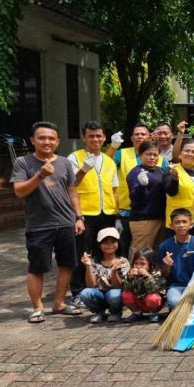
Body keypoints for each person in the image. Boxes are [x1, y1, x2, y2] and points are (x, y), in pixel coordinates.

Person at [11, 121, 86, 323]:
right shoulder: (23, 162)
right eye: (42, 138)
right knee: (37, 267)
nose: (47, 142)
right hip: (39, 225)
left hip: (66, 222)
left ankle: (59, 303)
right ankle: (37, 308)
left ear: (57, 141)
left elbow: (72, 192)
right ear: (33, 140)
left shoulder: (64, 163)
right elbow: (19, 191)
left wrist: (79, 217)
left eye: (51, 138)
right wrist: (40, 175)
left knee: (67, 264)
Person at [67, 121, 119, 305]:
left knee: (103, 251)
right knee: (82, 252)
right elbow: (71, 185)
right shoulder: (74, 157)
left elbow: (114, 189)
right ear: (84, 137)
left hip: (107, 213)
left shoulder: (109, 161)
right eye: (91, 136)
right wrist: (83, 169)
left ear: (104, 138)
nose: (96, 139)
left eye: (99, 136)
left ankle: (100, 287)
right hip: (85, 213)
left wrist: (117, 214)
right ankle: (78, 291)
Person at [106, 123, 164, 259]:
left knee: (154, 252)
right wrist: (113, 147)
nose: (140, 137)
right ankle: (130, 272)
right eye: (137, 134)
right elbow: (106, 164)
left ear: (149, 136)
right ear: (131, 138)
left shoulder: (160, 160)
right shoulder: (122, 153)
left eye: (143, 134)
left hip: (157, 213)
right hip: (128, 211)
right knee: (131, 249)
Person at [79, 228, 130, 323]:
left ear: (118, 243)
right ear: (99, 245)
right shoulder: (94, 261)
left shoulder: (123, 261)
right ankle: (99, 312)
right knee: (85, 293)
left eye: (113, 242)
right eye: (105, 242)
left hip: (115, 293)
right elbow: (91, 285)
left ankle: (115, 312)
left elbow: (117, 286)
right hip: (99, 293)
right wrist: (88, 266)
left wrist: (114, 271)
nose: (109, 245)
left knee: (113, 295)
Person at [165, 139, 194, 237]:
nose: (190, 154)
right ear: (180, 154)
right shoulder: (172, 169)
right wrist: (174, 178)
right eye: (187, 151)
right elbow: (171, 191)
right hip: (179, 225)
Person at [127, 142, 168, 257]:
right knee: (141, 253)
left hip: (161, 217)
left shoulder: (161, 171)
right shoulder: (136, 172)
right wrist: (141, 186)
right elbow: (135, 197)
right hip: (143, 219)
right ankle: (133, 269)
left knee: (158, 254)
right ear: (140, 155)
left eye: (155, 155)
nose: (152, 157)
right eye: (148, 154)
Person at [157, 208, 194, 310]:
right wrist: (167, 266)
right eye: (177, 222)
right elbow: (163, 275)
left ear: (191, 224)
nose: (181, 225)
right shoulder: (164, 246)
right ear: (171, 225)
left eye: (184, 222)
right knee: (175, 302)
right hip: (176, 286)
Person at [122, 247, 166, 323]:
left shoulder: (157, 273)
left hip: (153, 303)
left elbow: (153, 290)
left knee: (153, 297)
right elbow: (126, 288)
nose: (138, 266)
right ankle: (136, 313)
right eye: (136, 263)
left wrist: (147, 277)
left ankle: (153, 314)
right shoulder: (131, 273)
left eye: (142, 264)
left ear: (151, 264)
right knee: (126, 295)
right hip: (139, 302)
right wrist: (129, 278)